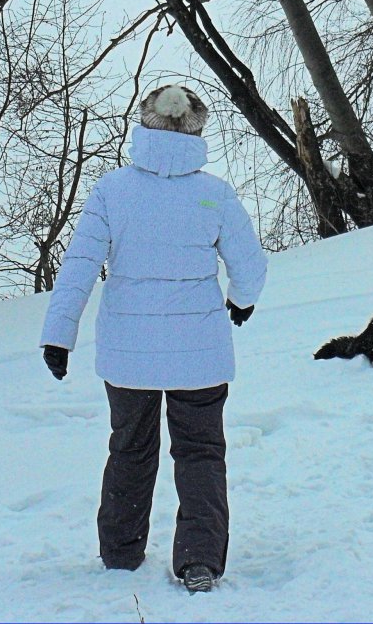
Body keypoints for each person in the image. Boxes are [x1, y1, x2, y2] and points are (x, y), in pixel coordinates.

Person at [39, 84, 267, 593]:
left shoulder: (113, 190)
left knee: (129, 449)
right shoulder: (214, 192)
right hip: (200, 357)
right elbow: (249, 264)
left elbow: (78, 266)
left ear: (144, 126)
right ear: (197, 129)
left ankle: (120, 554)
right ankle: (200, 561)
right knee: (201, 453)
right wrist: (241, 300)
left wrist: (59, 335)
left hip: (128, 356)